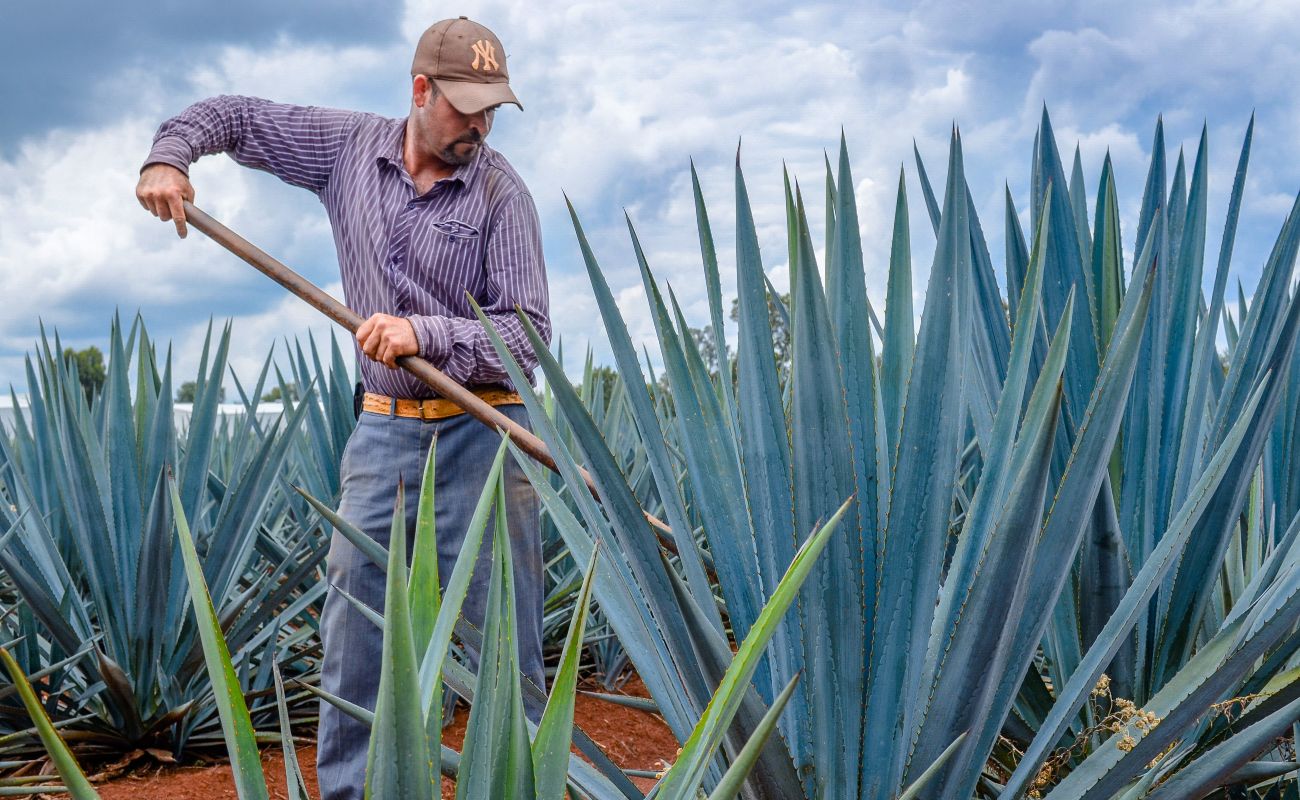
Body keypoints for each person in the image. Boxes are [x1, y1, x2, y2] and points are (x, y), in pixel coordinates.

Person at [135, 17, 548, 800]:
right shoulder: (347, 149)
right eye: (465, 106)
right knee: (356, 632)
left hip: (486, 437)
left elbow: (527, 337)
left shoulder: (502, 194)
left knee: (503, 642)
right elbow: (237, 117)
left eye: (492, 108)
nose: (480, 126)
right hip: (385, 435)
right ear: (420, 90)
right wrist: (170, 155)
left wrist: (422, 331)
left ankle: (516, 784)